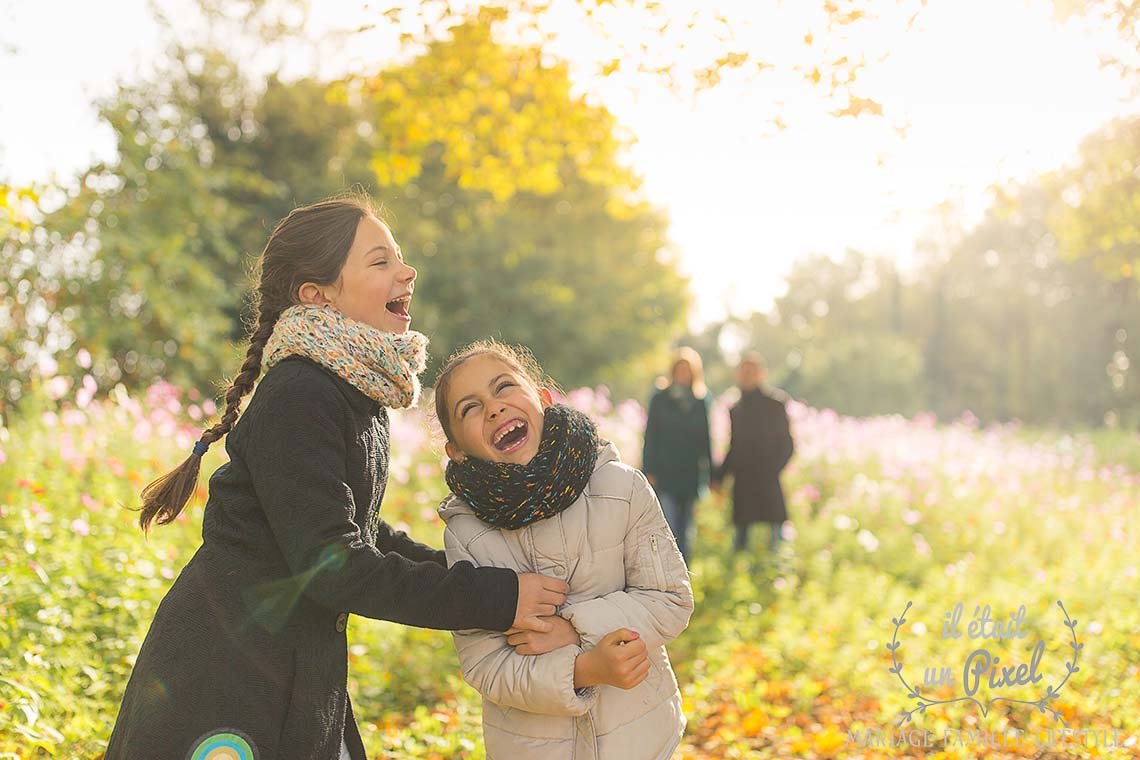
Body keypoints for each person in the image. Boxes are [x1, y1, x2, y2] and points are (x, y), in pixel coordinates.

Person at [104, 196, 568, 760]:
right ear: (317, 295)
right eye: (380, 262)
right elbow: (336, 565)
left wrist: (497, 577)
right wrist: (494, 597)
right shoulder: (301, 393)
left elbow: (361, 534)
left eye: (399, 257)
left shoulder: (349, 391)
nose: (407, 271)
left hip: (290, 667)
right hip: (225, 684)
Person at [433, 341, 694, 760]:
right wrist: (583, 670)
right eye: (471, 408)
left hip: (640, 738)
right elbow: (485, 664)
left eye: (503, 388)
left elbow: (670, 600)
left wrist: (575, 628)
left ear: (542, 397)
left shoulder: (621, 488)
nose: (495, 408)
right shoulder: (467, 533)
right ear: (457, 451)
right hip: (530, 747)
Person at [712, 353, 794, 555]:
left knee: (776, 538)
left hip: (768, 477)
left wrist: (774, 469)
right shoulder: (736, 409)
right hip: (744, 480)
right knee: (741, 539)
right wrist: (719, 477)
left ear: (761, 374)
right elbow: (734, 446)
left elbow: (787, 444)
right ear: (738, 375)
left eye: (752, 372)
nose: (747, 376)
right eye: (744, 372)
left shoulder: (775, 404)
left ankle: (775, 576)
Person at [641, 347, 712, 562]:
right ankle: (667, 571)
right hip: (665, 472)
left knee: (686, 529)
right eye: (679, 368)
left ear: (694, 373)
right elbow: (650, 436)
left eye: (687, 369)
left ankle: (685, 575)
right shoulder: (660, 399)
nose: (683, 373)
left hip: (690, 474)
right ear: (673, 371)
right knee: (668, 525)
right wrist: (649, 469)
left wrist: (712, 474)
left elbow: (706, 439)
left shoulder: (700, 402)